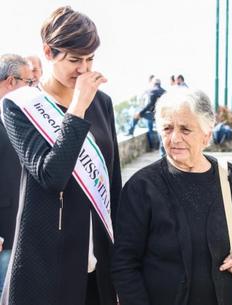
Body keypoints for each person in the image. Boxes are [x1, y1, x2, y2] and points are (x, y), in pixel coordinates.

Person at [1, 6, 121, 305]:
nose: (83, 69)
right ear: (48, 52)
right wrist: (77, 108)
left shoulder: (102, 102)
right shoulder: (20, 106)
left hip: (98, 257)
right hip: (47, 260)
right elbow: (51, 176)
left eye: (90, 59)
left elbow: (112, 179)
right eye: (74, 59)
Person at [112, 88, 232, 305]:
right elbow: (124, 263)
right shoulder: (142, 187)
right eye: (167, 128)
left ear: (206, 135)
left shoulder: (230, 177)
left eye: (185, 129)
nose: (174, 138)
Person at [0, 53, 33, 297]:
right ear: (11, 82)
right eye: (28, 82)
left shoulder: (16, 117)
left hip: (18, 231)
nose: (32, 88)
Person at [126, 76, 165, 150]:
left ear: (153, 83)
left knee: (136, 115)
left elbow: (150, 104)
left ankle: (130, 130)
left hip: (154, 114)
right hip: (163, 115)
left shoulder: (152, 90)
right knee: (160, 133)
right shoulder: (164, 91)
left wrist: (141, 113)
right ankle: (160, 151)